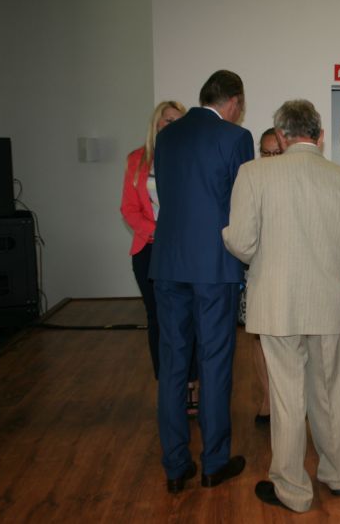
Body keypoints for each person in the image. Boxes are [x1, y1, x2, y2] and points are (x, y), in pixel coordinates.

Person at [223, 99, 340, 513]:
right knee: (331, 391)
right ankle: (339, 474)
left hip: (276, 303)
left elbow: (242, 242)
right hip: (327, 300)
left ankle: (292, 489)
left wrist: (237, 241)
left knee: (288, 396)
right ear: (320, 135)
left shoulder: (254, 174)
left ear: (281, 135)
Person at [150, 70, 254, 494]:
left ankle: (175, 467)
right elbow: (242, 204)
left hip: (168, 263)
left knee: (173, 364)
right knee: (214, 362)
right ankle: (214, 462)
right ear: (234, 102)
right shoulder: (235, 137)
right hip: (214, 265)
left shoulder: (167, 137)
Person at [120, 100, 201, 417]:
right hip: (150, 248)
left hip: (185, 248)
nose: (172, 125)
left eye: (179, 120)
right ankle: (169, 385)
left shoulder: (193, 158)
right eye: (167, 120)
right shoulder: (137, 160)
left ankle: (192, 382)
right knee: (157, 318)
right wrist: (158, 231)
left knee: (189, 317)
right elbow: (129, 209)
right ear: (156, 125)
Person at [250, 127, 283, 425]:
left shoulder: (298, 179)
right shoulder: (250, 179)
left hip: (290, 270)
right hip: (258, 268)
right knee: (260, 336)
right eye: (266, 153)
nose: (271, 158)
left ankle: (294, 398)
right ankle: (268, 397)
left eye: (277, 153)